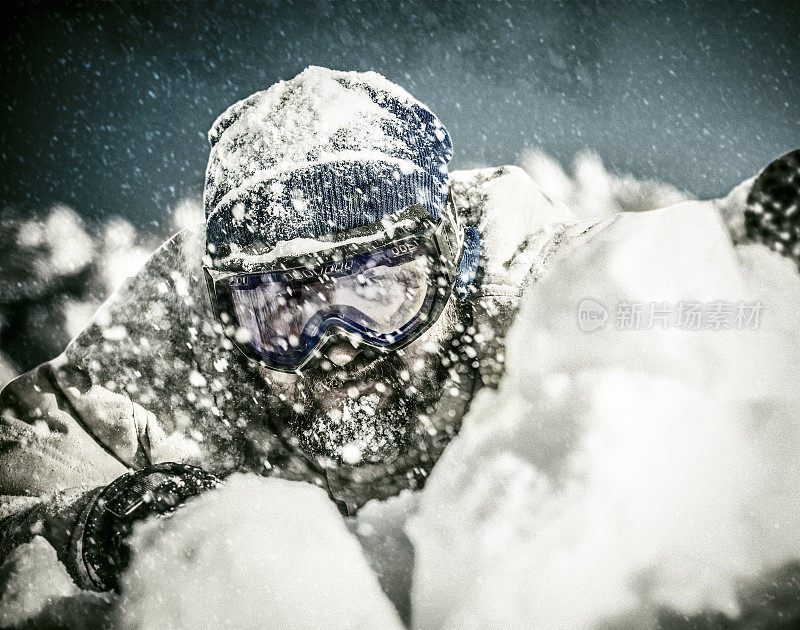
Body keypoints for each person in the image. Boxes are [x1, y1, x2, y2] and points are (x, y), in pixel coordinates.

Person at [0, 65, 795, 594]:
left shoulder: (526, 288)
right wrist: (99, 525)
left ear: (452, 264)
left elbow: (661, 280)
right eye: (283, 309)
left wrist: (756, 242)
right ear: (225, 309)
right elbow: (18, 478)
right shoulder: (178, 345)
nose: (335, 343)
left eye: (378, 287)